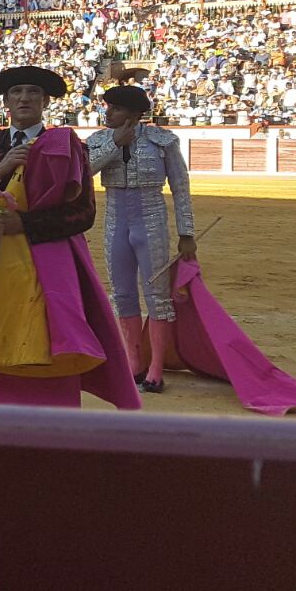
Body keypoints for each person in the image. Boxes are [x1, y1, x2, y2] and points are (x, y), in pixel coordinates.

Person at [0, 66, 139, 409]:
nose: (24, 98)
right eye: (16, 92)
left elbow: (83, 214)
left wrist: (24, 223)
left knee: (41, 338)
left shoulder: (66, 146)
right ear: (6, 101)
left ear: (44, 100)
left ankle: (44, 417)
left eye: (31, 92)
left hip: (47, 262)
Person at [86, 85, 194, 393]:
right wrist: (114, 145)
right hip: (115, 222)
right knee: (122, 294)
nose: (107, 113)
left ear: (133, 114)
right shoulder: (99, 141)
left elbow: (181, 187)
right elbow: (80, 175)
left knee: (157, 295)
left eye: (114, 109)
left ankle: (156, 369)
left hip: (151, 221)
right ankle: (134, 364)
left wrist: (186, 232)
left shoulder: (163, 141)